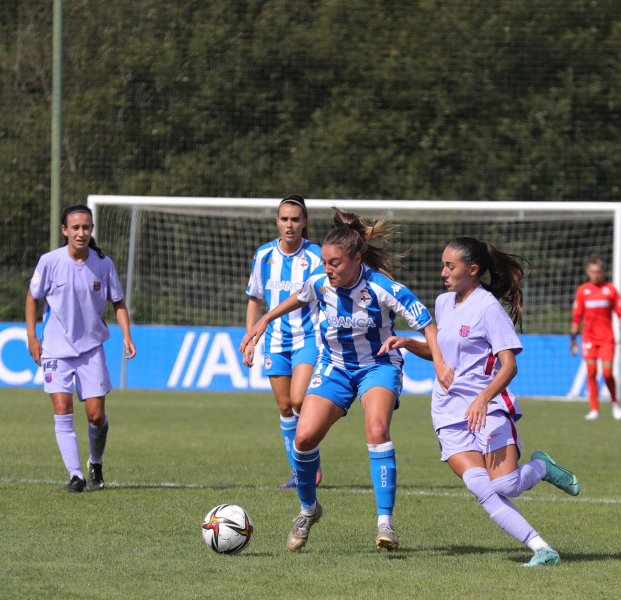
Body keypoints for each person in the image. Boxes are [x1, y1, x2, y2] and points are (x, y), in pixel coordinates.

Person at [240, 207, 446, 552]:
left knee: (378, 430)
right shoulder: (321, 282)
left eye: (334, 263)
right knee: (303, 439)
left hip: (377, 366)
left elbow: (427, 323)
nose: (327, 269)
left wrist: (438, 362)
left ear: (356, 259)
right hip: (334, 366)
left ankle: (385, 523)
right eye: (324, 261)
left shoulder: (383, 287)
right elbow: (299, 296)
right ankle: (308, 510)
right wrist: (263, 321)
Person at [380, 237, 580, 567]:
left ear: (472, 270)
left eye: (450, 266)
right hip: (447, 413)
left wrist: (482, 399)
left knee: (506, 484)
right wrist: (408, 342)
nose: (442, 271)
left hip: (488, 408)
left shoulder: (489, 309)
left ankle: (541, 466)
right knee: (482, 489)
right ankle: (541, 548)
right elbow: (440, 354)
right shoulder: (444, 302)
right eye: (443, 264)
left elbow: (509, 364)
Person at [26, 204, 136, 493]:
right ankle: (76, 476)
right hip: (55, 349)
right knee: (63, 408)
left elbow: (118, 302)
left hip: (91, 349)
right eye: (75, 227)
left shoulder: (103, 264)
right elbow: (32, 297)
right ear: (64, 231)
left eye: (86, 227)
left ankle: (95, 463)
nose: (81, 232)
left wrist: (126, 335)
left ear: (91, 230)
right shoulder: (49, 262)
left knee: (96, 416)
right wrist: (32, 337)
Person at [244, 195, 323, 489]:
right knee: (284, 407)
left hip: (308, 337)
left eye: (295, 219)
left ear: (304, 223)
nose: (289, 225)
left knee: (299, 400)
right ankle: (298, 473)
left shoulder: (316, 256)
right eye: (284, 219)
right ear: (277, 222)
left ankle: (311, 463)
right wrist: (251, 338)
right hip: (275, 340)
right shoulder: (264, 255)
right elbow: (254, 298)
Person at [570, 253, 621, 421]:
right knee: (591, 372)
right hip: (589, 338)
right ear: (588, 272)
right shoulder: (582, 291)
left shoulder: (610, 290)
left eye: (599, 272)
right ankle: (594, 409)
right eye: (593, 272)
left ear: (603, 272)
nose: (596, 275)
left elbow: (620, 312)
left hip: (607, 338)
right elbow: (577, 316)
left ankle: (615, 403)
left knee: (608, 373)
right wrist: (573, 337)